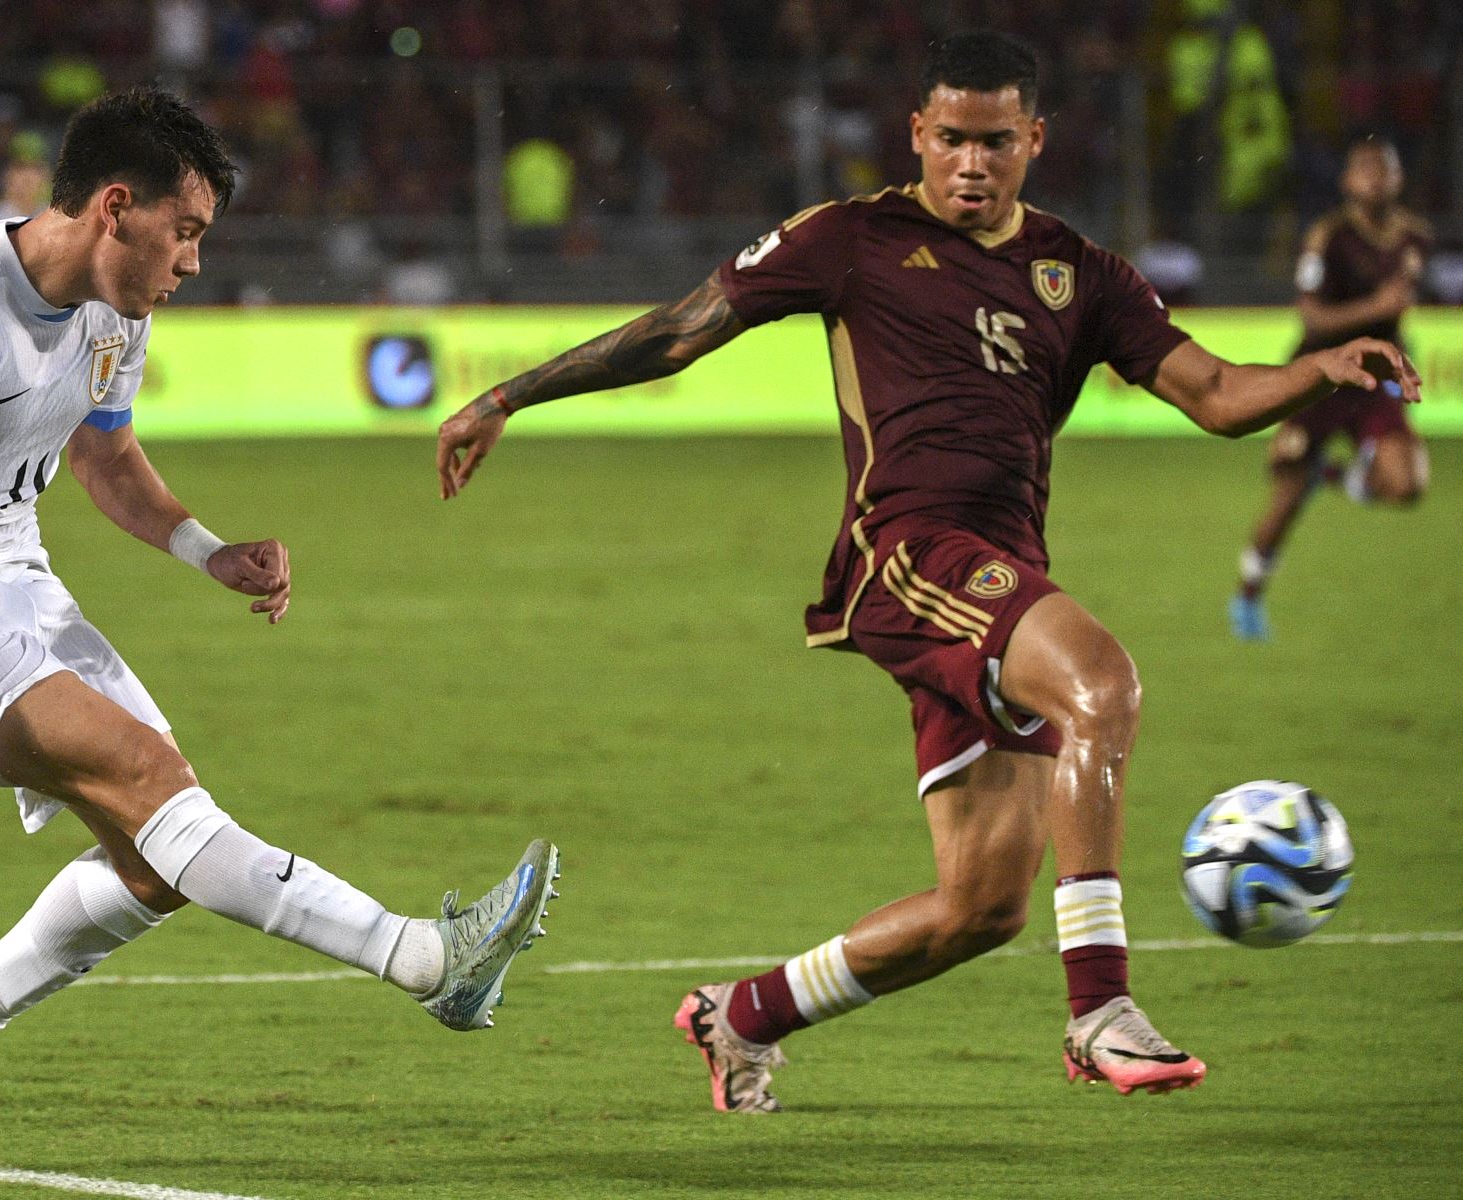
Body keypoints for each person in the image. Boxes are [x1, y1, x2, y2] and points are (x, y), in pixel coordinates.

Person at [434, 33, 1418, 1112]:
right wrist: (506, 397)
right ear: (917, 134)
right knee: (1104, 681)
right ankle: (1100, 1011)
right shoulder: (851, 238)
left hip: (999, 575)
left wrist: (1319, 371)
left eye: (996, 141)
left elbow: (1219, 394)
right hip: (905, 554)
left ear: (1033, 141)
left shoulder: (1082, 275)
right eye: (951, 137)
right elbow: (681, 332)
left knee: (984, 904)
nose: (971, 162)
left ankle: (742, 1015)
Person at [0, 87, 559, 1171]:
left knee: (154, 864)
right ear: (117, 206)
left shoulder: (118, 309)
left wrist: (206, 548)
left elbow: (104, 458)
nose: (194, 262)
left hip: (20, 576)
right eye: (188, 230)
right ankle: (427, 960)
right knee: (157, 786)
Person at [1230, 138, 1431, 641]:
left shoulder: (1416, 237)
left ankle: (1337, 474)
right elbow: (1312, 315)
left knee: (1407, 485)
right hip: (1319, 376)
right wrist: (1377, 308)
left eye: (1385, 169)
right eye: (1365, 169)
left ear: (1399, 179)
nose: (1376, 178)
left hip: (1376, 377)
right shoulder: (1328, 236)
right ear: (1347, 182)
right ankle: (1247, 599)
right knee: (1287, 495)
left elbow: (1401, 310)